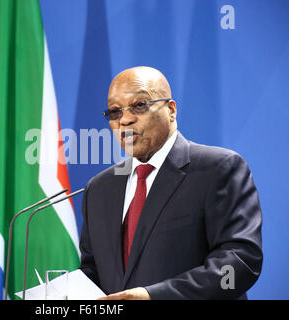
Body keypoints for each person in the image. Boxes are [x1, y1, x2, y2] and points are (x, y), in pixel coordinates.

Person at [79, 66, 263, 299]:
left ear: (171, 110)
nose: (124, 120)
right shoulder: (100, 188)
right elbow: (93, 271)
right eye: (114, 112)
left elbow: (239, 264)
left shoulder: (218, 168)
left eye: (139, 105)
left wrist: (154, 296)